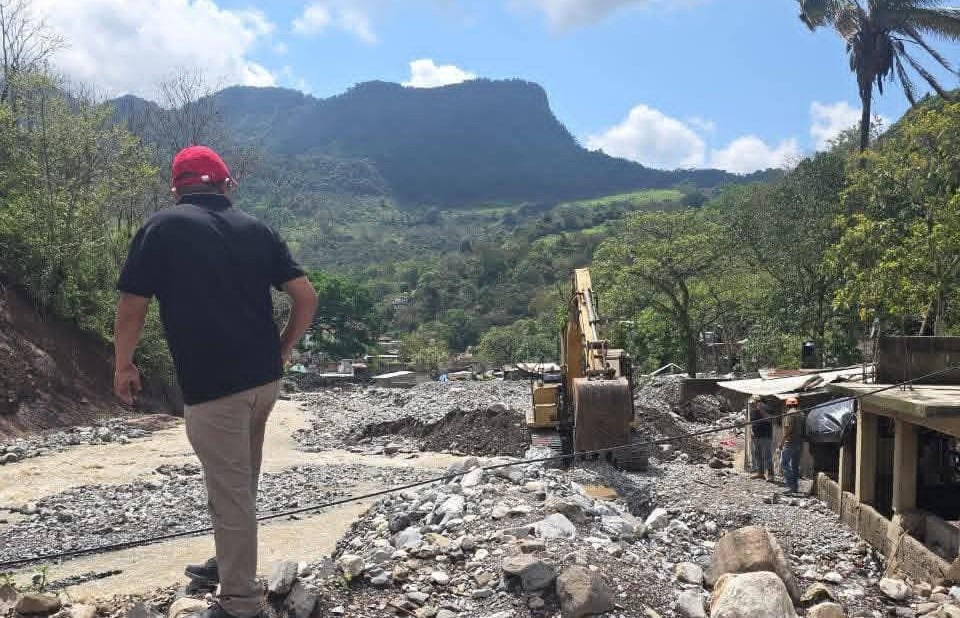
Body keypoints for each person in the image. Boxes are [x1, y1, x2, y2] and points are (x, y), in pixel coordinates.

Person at [113, 145, 318, 618]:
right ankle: (230, 565)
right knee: (239, 485)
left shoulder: (163, 227)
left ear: (176, 188)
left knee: (230, 493)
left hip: (214, 388)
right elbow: (305, 297)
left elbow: (132, 306)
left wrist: (123, 365)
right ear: (227, 185)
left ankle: (240, 602)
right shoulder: (258, 230)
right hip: (264, 383)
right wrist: (283, 349)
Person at [779, 396, 805, 495]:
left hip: (790, 443)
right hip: (799, 443)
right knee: (795, 465)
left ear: (788, 406)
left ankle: (791, 486)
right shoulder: (802, 414)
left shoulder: (790, 414)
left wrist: (782, 442)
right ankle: (795, 488)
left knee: (784, 463)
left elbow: (787, 430)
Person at [748, 396, 774, 481]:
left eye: (757, 402)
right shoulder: (753, 411)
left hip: (765, 436)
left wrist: (761, 410)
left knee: (767, 455)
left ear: (762, 402)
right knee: (757, 455)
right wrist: (752, 432)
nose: (755, 404)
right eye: (755, 402)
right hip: (756, 436)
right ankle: (760, 473)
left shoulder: (768, 409)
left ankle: (770, 475)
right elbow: (752, 422)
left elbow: (769, 420)